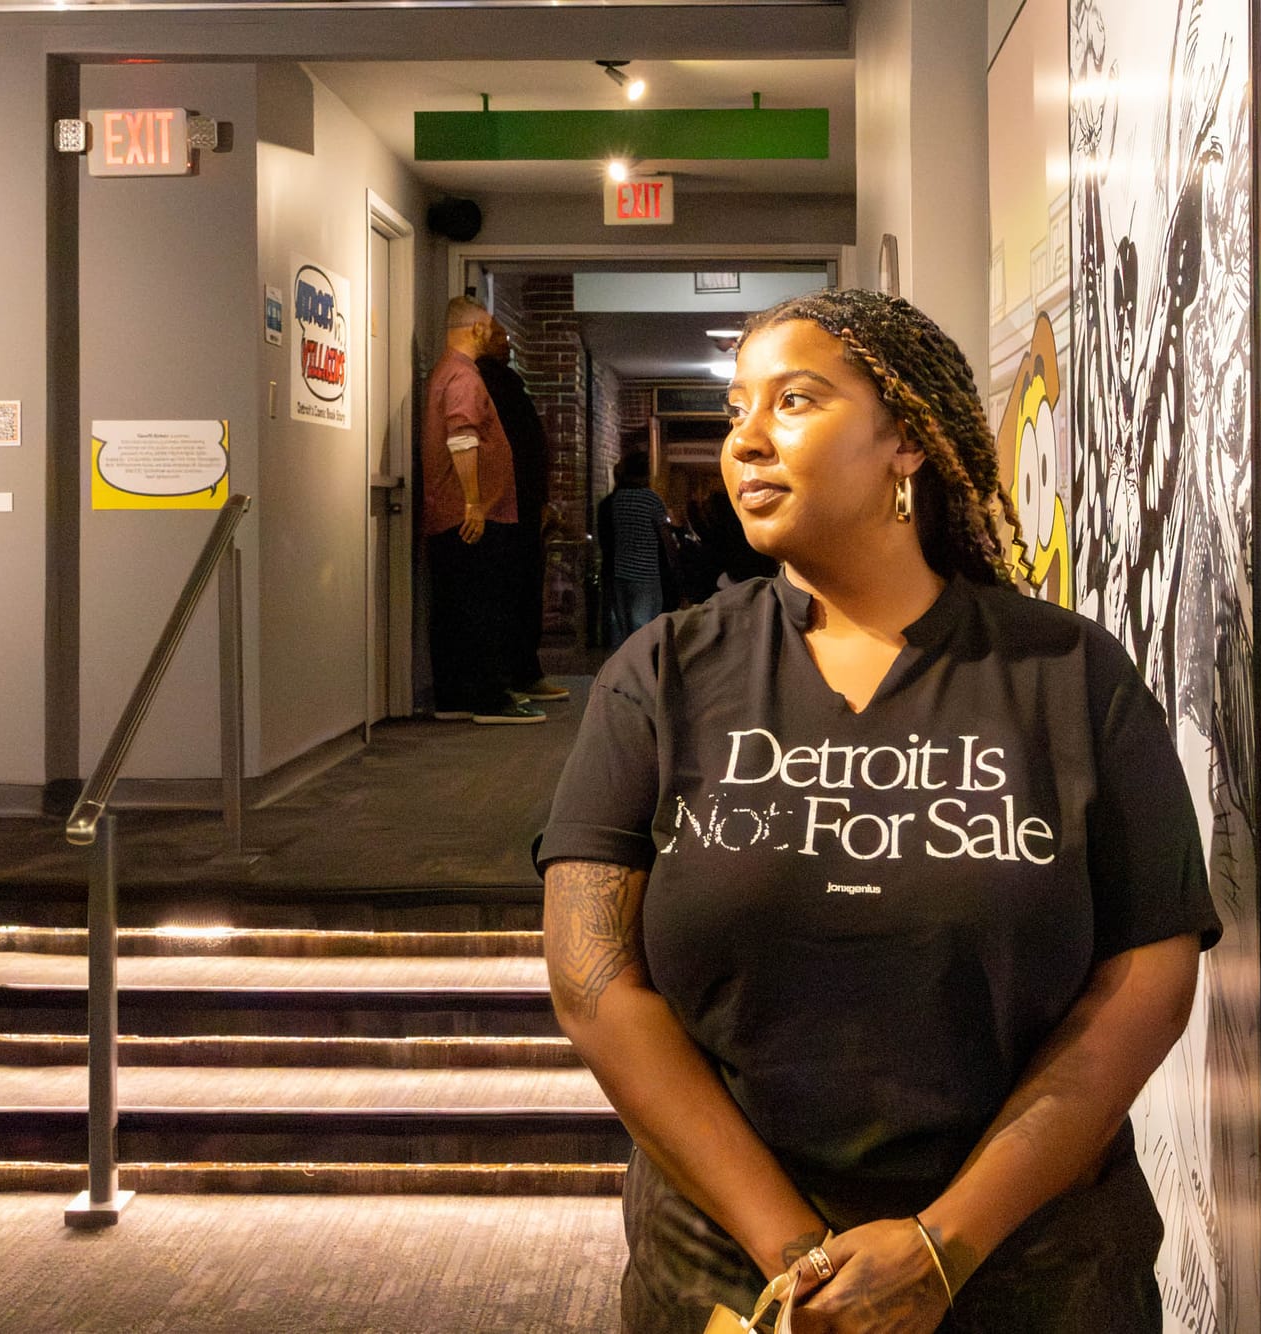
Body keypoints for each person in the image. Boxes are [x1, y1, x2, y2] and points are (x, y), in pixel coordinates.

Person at [536, 289, 1219, 1333]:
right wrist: (799, 1258)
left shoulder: (1068, 675)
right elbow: (594, 982)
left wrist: (943, 1246)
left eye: (794, 401)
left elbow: (1147, 976)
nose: (745, 439)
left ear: (906, 441)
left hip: (1030, 1269)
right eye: (736, 410)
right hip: (732, 1277)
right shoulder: (662, 673)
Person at [420, 297, 545, 725]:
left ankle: (455, 696)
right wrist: (474, 501)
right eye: (490, 328)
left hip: (451, 512)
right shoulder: (464, 376)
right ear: (475, 329)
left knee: (455, 607)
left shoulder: (445, 371)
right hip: (472, 516)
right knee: (482, 606)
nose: (495, 336)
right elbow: (462, 437)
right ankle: (489, 698)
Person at [476, 322, 570, 704]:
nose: (509, 344)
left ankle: (523, 672)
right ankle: (512, 676)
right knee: (513, 592)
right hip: (507, 505)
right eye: (501, 337)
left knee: (525, 590)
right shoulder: (486, 383)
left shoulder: (505, 382)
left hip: (522, 503)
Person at [595, 450, 674, 651]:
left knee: (619, 629)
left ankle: (620, 665)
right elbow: (666, 538)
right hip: (647, 574)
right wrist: (674, 567)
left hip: (619, 572)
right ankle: (641, 665)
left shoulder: (614, 500)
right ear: (645, 473)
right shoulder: (652, 499)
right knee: (644, 628)